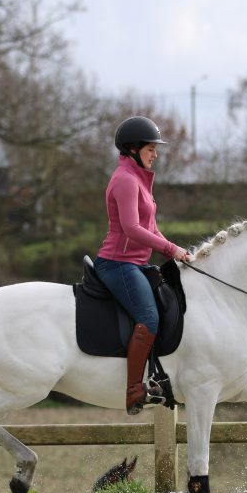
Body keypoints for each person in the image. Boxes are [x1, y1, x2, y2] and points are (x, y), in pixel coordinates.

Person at [94, 116, 192, 415]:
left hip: (137, 263)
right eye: (151, 148)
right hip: (117, 264)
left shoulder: (137, 178)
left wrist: (176, 253)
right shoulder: (125, 180)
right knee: (149, 317)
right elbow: (132, 228)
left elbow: (151, 227)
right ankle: (134, 390)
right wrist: (169, 249)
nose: (156, 154)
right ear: (134, 149)